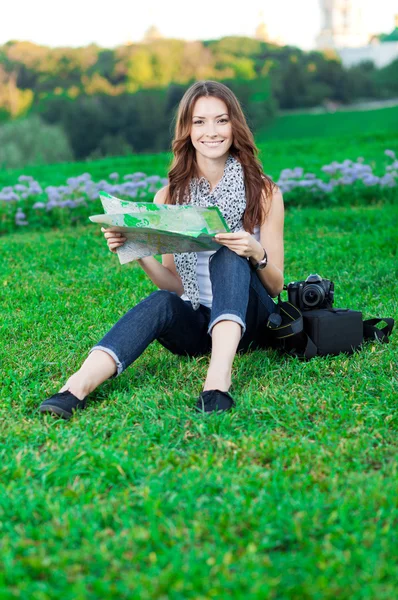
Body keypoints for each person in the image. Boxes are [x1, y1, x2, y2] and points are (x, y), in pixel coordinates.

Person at [39, 80, 285, 420]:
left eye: (221, 120)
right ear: (186, 130)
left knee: (229, 253)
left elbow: (274, 286)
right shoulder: (169, 196)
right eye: (199, 122)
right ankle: (75, 388)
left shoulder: (266, 192)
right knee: (160, 302)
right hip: (199, 323)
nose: (210, 132)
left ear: (235, 126)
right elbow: (176, 286)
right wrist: (138, 248)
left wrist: (255, 252)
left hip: (251, 321)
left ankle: (217, 382)